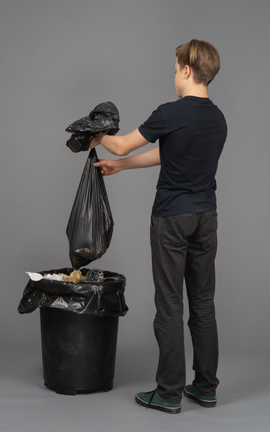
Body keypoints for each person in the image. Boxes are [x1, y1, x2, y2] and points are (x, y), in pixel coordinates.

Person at [90, 39, 227, 414]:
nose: (173, 73)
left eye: (174, 66)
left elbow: (118, 145)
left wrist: (94, 132)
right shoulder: (217, 118)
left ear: (186, 69)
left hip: (171, 219)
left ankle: (168, 392)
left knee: (168, 304)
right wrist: (124, 167)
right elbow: (171, 153)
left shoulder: (170, 112)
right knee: (202, 304)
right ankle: (205, 387)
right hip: (206, 218)